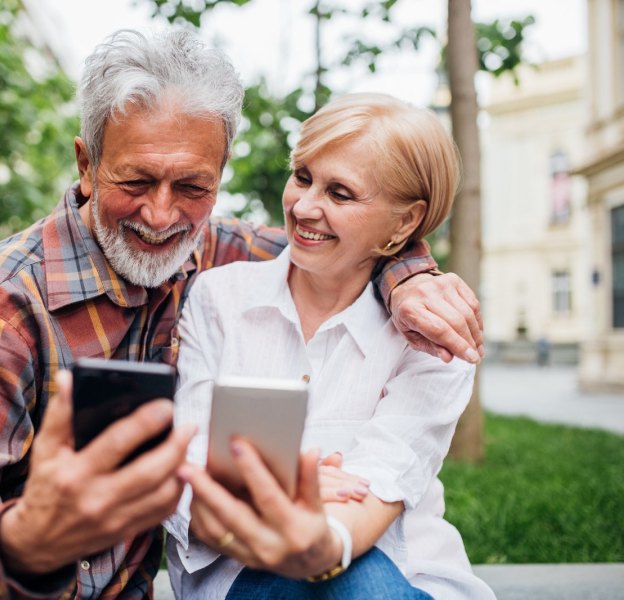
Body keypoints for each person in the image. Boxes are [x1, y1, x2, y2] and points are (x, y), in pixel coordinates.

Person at [0, 30, 483, 599]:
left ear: (219, 177)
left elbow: (349, 246)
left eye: (193, 187)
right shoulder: (2, 303)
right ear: (87, 165)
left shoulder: (219, 253)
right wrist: (28, 537)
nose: (163, 216)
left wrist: (409, 277)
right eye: (135, 182)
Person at [165, 93, 495, 599]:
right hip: (242, 576)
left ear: (405, 223)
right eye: (302, 176)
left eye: (340, 194)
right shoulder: (219, 298)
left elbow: (368, 499)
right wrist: (286, 501)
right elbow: (190, 481)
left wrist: (276, 505)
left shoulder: (436, 336)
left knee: (361, 585)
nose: (303, 206)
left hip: (399, 572)